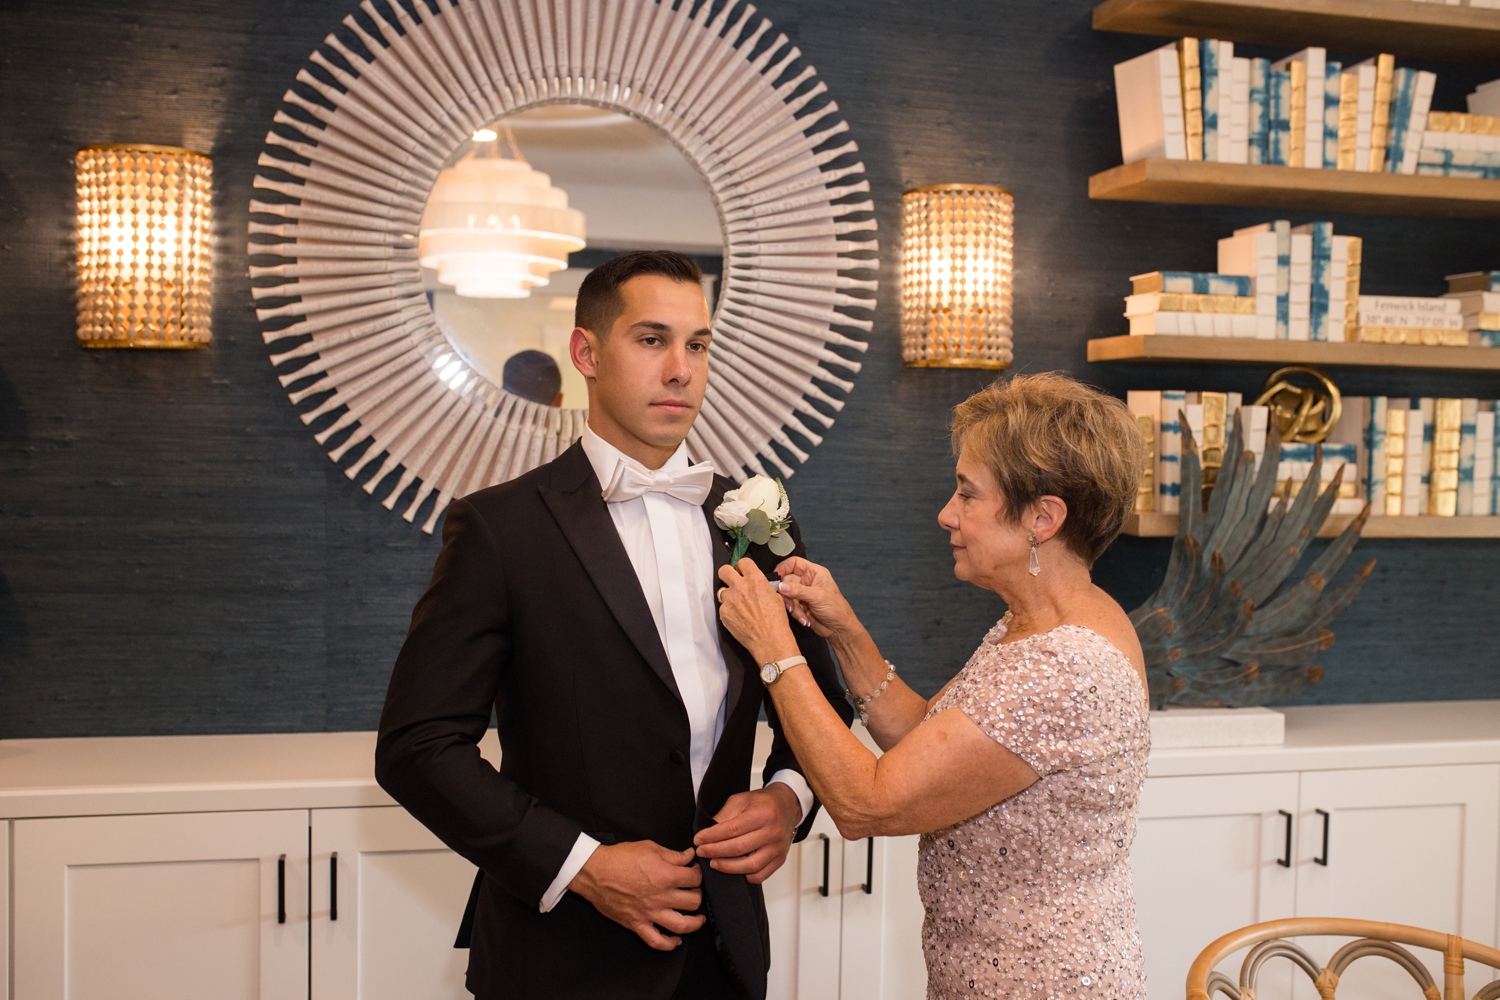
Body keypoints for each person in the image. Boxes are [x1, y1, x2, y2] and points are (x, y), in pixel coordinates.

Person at [376, 250, 852, 1000]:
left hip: (726, 954)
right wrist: (585, 867)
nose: (681, 370)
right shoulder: (500, 528)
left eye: (697, 345)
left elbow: (820, 706)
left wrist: (787, 798)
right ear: (586, 353)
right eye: (652, 339)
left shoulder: (758, 519)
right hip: (561, 957)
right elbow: (417, 747)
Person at [714, 372, 1153, 999]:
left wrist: (776, 650)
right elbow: (929, 741)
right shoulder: (1041, 622)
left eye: (968, 494)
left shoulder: (1064, 666)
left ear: (1042, 517)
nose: (946, 513)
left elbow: (867, 803)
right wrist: (844, 630)